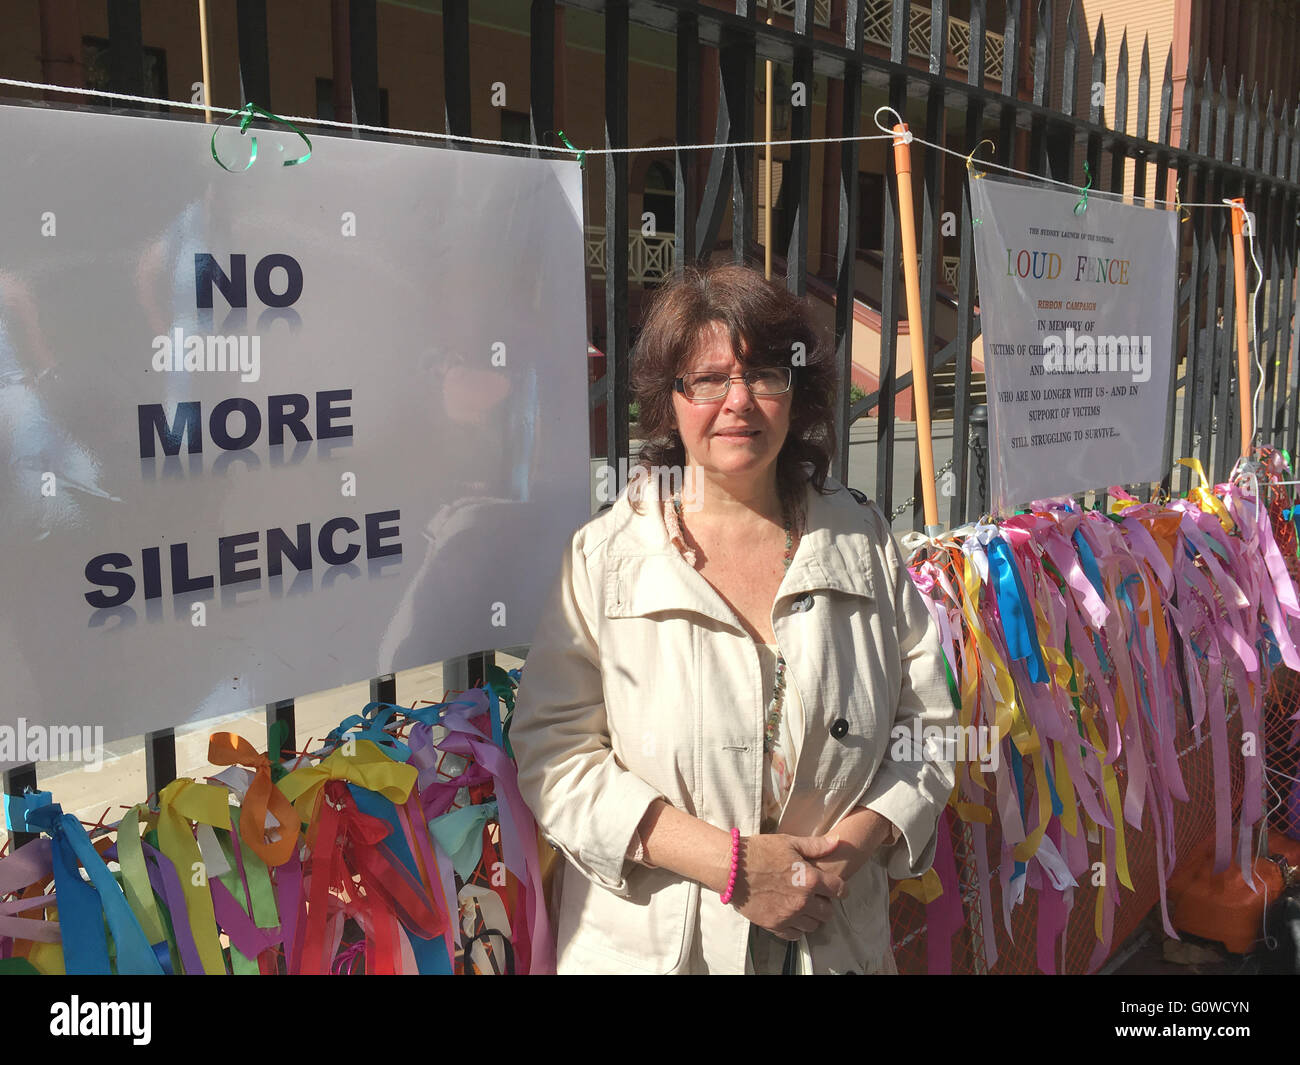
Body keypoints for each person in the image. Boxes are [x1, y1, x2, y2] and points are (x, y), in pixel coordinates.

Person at [509, 264, 957, 974]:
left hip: (832, 933)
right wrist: (735, 866)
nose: (739, 401)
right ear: (669, 400)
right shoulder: (605, 559)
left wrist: (847, 851)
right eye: (708, 378)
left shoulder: (862, 540)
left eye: (765, 374)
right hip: (658, 946)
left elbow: (929, 728)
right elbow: (554, 754)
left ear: (797, 390)